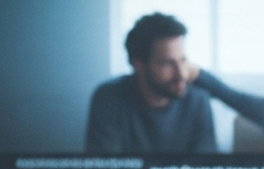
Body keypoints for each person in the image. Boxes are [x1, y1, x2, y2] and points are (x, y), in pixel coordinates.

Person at [86, 13, 216, 154]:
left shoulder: (198, 100)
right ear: (138, 65)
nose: (181, 74)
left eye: (183, 60)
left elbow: (205, 168)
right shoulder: (109, 98)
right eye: (167, 63)